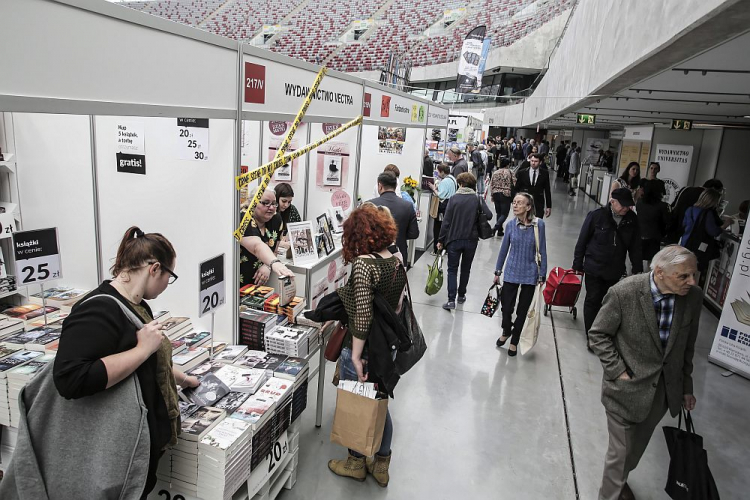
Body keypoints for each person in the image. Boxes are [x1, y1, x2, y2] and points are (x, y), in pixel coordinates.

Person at [51, 227, 200, 498]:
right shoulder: (98, 309)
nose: (168, 283)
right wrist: (143, 349)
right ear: (155, 269)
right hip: (115, 454)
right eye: (170, 276)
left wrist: (185, 379)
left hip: (137, 446)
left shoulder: (136, 304)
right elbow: (70, 378)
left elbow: (149, 362)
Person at [590, 245, 701, 500]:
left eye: (693, 274)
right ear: (660, 272)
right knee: (619, 456)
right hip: (625, 391)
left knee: (634, 451)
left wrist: (686, 387)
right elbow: (598, 335)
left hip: (661, 394)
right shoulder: (624, 293)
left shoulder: (692, 298)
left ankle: (621, 481)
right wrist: (619, 371)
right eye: (683, 276)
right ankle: (612, 491)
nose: (691, 282)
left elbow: (687, 347)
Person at [328, 204, 407, 487]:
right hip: (388, 345)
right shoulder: (395, 257)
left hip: (364, 346)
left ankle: (355, 462)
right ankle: (382, 465)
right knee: (380, 402)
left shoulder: (364, 265)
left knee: (357, 402)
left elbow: (362, 317)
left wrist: (357, 356)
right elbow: (398, 304)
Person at [573, 188, 643, 337]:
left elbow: (635, 246)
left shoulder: (632, 219)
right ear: (612, 202)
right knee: (593, 299)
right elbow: (582, 241)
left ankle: (602, 331)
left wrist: (637, 268)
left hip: (614, 269)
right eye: (623, 205)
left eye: (628, 205)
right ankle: (592, 336)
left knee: (608, 302)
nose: (626, 208)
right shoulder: (596, 216)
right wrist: (577, 264)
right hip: (594, 267)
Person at [493, 192, 547, 357]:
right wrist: (498, 271)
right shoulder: (510, 225)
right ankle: (506, 330)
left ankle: (515, 339)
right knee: (507, 307)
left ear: (528, 207)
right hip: (511, 271)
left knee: (523, 310)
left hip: (530, 273)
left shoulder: (539, 226)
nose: (515, 205)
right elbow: (504, 250)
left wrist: (542, 274)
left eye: (519, 203)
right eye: (514, 202)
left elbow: (542, 251)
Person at [437, 172, 492, 310]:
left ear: (460, 184)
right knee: (466, 269)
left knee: (452, 269)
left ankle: (451, 300)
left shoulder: (454, 199)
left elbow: (446, 222)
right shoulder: (477, 198)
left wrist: (441, 240)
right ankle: (461, 295)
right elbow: (489, 215)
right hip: (471, 239)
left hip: (454, 239)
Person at [239, 189, 295, 287]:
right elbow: (257, 246)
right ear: (253, 203)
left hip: (262, 283)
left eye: (274, 203)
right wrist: (275, 264)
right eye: (266, 203)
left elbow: (275, 249)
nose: (271, 207)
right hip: (239, 283)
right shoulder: (244, 218)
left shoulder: (276, 219)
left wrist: (267, 266)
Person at [368, 172, 419, 264]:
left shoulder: (370, 205)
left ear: (380, 186)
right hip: (399, 254)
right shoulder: (407, 205)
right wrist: (401, 235)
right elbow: (414, 234)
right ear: (396, 186)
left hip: (374, 255)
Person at [680, 188, 732, 273]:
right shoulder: (708, 213)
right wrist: (726, 224)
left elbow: (684, 225)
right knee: (695, 272)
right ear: (712, 201)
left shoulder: (690, 209)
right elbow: (714, 231)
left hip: (685, 243)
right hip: (699, 248)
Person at [667, 178, 723, 244]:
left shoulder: (685, 189)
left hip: (674, 225)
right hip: (691, 235)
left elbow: (674, 205)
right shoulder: (707, 197)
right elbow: (714, 221)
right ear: (713, 189)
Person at [636, 182, 670, 269]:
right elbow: (667, 221)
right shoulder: (662, 206)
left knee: (636, 260)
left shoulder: (639, 203)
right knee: (651, 262)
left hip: (639, 235)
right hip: (654, 237)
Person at [430, 163, 457, 254]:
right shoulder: (452, 178)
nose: (437, 173)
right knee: (446, 226)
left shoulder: (445, 181)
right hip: (450, 204)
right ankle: (444, 247)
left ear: (442, 172)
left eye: (438, 171)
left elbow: (440, 195)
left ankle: (437, 249)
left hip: (442, 206)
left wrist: (434, 188)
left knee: (438, 227)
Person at [514, 153, 552, 218]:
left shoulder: (544, 173)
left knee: (537, 222)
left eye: (536, 161)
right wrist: (515, 202)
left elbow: (547, 190)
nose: (533, 163)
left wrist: (549, 206)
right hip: (524, 202)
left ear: (540, 162)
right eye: (532, 161)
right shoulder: (522, 173)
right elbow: (517, 188)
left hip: (538, 203)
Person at [490, 157, 516, 237]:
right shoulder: (510, 172)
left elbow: (491, 184)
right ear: (508, 164)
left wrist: (492, 195)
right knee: (504, 213)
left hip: (496, 193)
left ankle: (500, 231)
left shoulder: (495, 172)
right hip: (506, 194)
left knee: (499, 212)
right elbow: (514, 183)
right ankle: (496, 227)